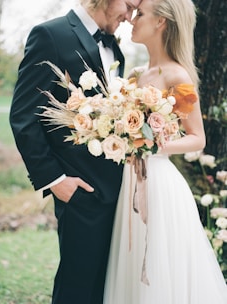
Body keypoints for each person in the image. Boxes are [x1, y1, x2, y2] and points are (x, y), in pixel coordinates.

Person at [9, 0, 141, 303]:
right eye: (128, 5)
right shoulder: (50, 35)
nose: (129, 16)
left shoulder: (115, 49)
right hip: (80, 193)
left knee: (105, 289)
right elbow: (24, 117)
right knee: (77, 289)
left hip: (117, 194)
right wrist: (57, 181)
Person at [103, 0, 227, 303]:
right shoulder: (134, 75)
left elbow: (197, 138)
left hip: (159, 184)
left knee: (160, 268)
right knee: (130, 266)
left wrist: (154, 145)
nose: (132, 19)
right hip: (129, 183)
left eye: (140, 14)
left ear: (161, 22)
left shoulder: (177, 77)